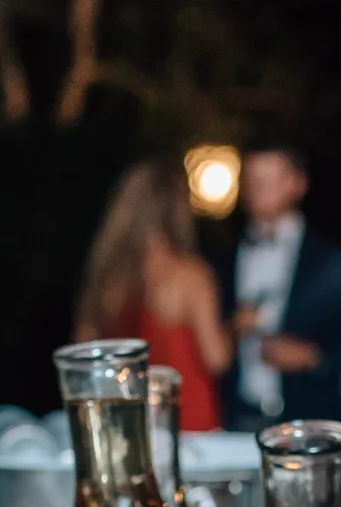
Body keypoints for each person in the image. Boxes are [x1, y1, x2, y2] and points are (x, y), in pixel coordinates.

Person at [215, 144, 341, 430]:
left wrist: (313, 355)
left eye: (267, 180)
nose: (255, 189)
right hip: (237, 417)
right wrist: (232, 328)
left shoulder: (334, 261)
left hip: (310, 419)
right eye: (249, 180)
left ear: (297, 184)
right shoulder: (222, 261)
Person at [75, 160, 232, 430]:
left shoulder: (106, 277)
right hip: (186, 428)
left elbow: (84, 356)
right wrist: (237, 328)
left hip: (125, 429)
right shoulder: (190, 274)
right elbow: (216, 358)